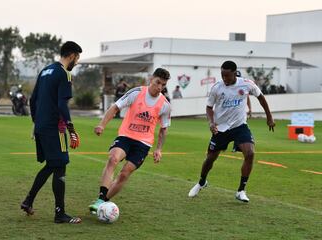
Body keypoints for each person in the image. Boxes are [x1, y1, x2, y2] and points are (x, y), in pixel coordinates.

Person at [188, 60, 275, 202]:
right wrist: (211, 122)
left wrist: (269, 117)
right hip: (221, 129)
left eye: (227, 76)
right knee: (210, 159)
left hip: (239, 126)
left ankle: (241, 190)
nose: (224, 79)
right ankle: (202, 182)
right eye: (222, 75)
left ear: (235, 73)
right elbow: (209, 107)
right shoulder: (217, 88)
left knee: (250, 153)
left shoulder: (246, 84)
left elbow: (261, 97)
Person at [88, 68, 172, 213]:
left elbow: (164, 129)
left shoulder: (165, 105)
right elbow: (115, 108)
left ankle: (103, 204)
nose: (159, 87)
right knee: (113, 159)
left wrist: (158, 149)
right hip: (126, 136)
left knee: (124, 174)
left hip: (144, 143)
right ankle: (101, 198)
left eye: (163, 85)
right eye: (158, 82)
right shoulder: (136, 93)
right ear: (151, 79)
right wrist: (102, 125)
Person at [20, 41, 82, 224]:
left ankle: (28, 200)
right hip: (56, 128)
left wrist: (35, 122)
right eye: (77, 58)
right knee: (60, 165)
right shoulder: (64, 74)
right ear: (71, 56)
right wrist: (71, 130)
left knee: (52, 164)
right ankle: (60, 214)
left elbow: (33, 100)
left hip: (42, 126)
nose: (76, 63)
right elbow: (63, 104)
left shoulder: (45, 71)